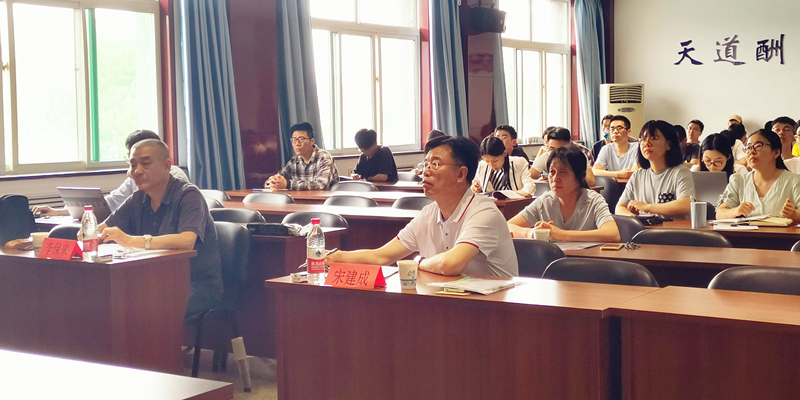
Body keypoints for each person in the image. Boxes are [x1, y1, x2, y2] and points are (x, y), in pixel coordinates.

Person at [327, 135, 518, 277]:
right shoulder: (429, 214)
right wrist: (336, 257)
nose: (426, 172)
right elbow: (381, 256)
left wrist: (418, 262)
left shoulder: (483, 211)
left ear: (461, 174)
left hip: (497, 308)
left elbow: (451, 264)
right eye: (426, 165)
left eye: (436, 165)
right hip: (455, 301)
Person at [96, 139, 223, 317]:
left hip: (195, 285)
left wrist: (130, 240)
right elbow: (100, 230)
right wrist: (89, 233)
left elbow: (186, 241)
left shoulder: (188, 195)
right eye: (133, 165)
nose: (137, 171)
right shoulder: (138, 198)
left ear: (166, 166)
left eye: (145, 164)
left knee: (138, 307)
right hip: (153, 281)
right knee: (103, 300)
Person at [33, 130, 190, 216]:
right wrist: (58, 212)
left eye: (145, 161)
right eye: (132, 161)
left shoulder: (177, 180)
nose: (137, 170)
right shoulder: (135, 183)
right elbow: (109, 203)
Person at [508, 146, 620, 242]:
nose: (555, 178)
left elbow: (613, 234)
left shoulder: (593, 200)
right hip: (553, 259)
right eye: (552, 172)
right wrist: (531, 233)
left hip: (586, 259)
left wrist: (560, 234)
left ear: (579, 177)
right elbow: (507, 226)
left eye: (563, 172)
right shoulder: (544, 201)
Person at [716, 129, 800, 223]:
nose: (752, 151)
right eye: (748, 147)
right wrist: (736, 211)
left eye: (758, 146)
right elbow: (720, 214)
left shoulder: (794, 181)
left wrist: (794, 214)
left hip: (782, 232)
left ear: (776, 152)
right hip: (747, 232)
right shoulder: (738, 180)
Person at [616, 120, 695, 220]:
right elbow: (619, 207)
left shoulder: (681, 172)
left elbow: (685, 205)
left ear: (668, 145)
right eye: (643, 139)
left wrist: (647, 207)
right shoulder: (637, 175)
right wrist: (636, 219)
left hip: (673, 229)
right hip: (644, 229)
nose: (647, 143)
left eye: (654, 138)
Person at [265, 122, 339, 190]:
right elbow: (277, 178)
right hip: (300, 199)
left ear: (312, 141)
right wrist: (273, 182)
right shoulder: (294, 161)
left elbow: (321, 185)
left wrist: (288, 184)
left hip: (325, 199)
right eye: (294, 139)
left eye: (301, 139)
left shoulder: (324, 158)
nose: (297, 143)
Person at [530, 127, 596, 187]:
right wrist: (537, 181)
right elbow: (526, 178)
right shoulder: (546, 156)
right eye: (552, 149)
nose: (555, 153)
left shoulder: (578, 156)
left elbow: (591, 181)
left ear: (569, 144)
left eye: (560, 149)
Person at [593, 115, 638, 179]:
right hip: (612, 184)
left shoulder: (637, 148)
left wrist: (607, 173)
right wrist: (619, 174)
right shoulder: (606, 149)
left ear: (628, 132)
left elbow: (634, 173)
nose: (615, 131)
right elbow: (595, 171)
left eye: (619, 128)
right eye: (612, 128)